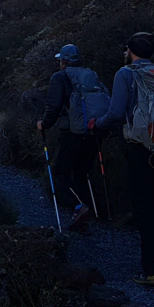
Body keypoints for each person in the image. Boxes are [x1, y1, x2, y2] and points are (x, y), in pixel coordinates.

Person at [94, 31, 154, 287]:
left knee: (142, 206)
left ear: (130, 50)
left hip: (141, 146)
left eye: (126, 49)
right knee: (152, 199)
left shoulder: (125, 74)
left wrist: (98, 125)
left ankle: (153, 271)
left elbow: (116, 113)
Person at [36, 44, 105, 232]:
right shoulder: (91, 74)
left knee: (60, 172)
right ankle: (87, 213)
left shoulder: (59, 77)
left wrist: (44, 124)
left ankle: (79, 207)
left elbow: (53, 106)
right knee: (81, 172)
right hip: (93, 129)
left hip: (71, 132)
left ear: (63, 61)